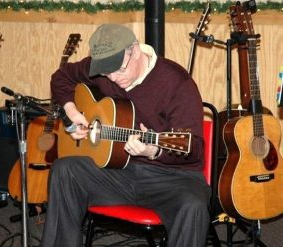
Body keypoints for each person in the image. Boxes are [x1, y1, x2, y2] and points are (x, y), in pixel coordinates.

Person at [40, 23, 211, 247]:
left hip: (172, 178)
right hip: (119, 172)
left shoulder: (178, 83)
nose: (113, 78)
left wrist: (154, 149)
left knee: (194, 206)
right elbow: (61, 77)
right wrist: (72, 112)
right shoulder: (102, 68)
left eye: (120, 69)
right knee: (65, 170)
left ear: (136, 51)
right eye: (105, 72)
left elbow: (194, 148)